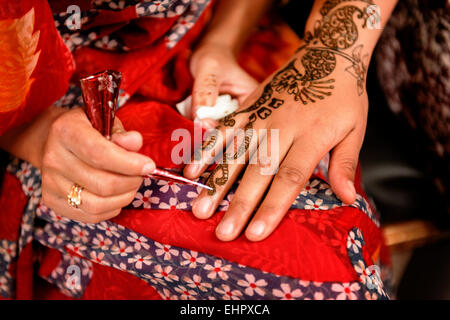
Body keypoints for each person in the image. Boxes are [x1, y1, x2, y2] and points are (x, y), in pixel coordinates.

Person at [0, 0, 397, 300]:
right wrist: (38, 135)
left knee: (333, 208)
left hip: (219, 48)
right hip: (51, 119)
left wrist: (331, 55)